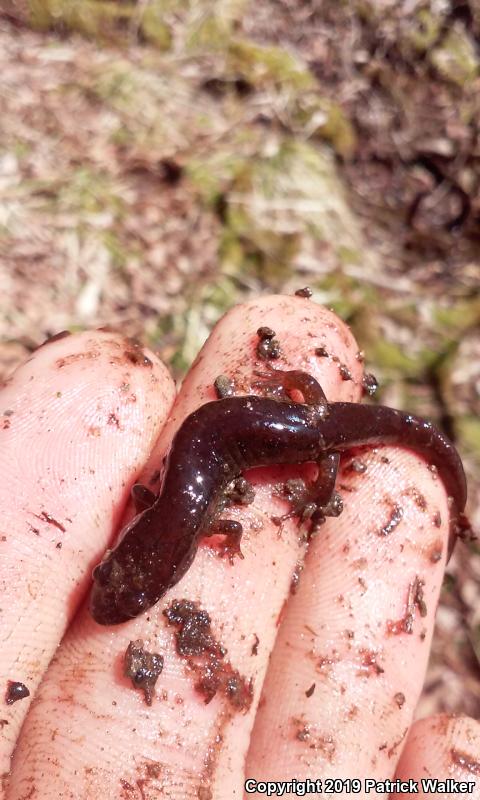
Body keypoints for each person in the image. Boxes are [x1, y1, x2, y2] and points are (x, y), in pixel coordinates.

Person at [0, 295, 478, 798]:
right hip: (267, 422)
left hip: (305, 427)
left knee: (321, 440)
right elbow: (215, 525)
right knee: (317, 428)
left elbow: (232, 528)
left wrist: (320, 494)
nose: (112, 586)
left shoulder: (188, 517)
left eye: (123, 583)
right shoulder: (167, 512)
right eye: (119, 581)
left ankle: (436, 482)